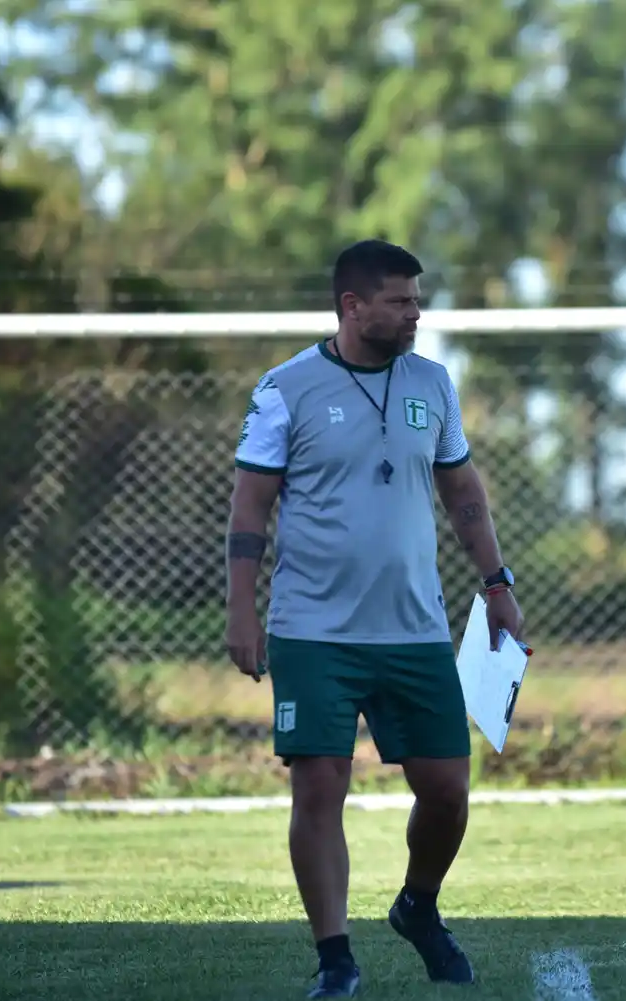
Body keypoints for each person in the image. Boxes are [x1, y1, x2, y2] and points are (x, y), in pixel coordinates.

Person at [223, 239, 526, 998]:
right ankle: (336, 959)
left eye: (417, 299)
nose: (415, 312)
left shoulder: (435, 383)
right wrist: (241, 609)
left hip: (415, 629)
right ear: (352, 306)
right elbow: (250, 506)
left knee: (448, 789)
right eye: (399, 300)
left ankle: (418, 906)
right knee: (320, 787)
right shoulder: (285, 388)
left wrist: (498, 584)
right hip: (312, 630)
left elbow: (463, 495)